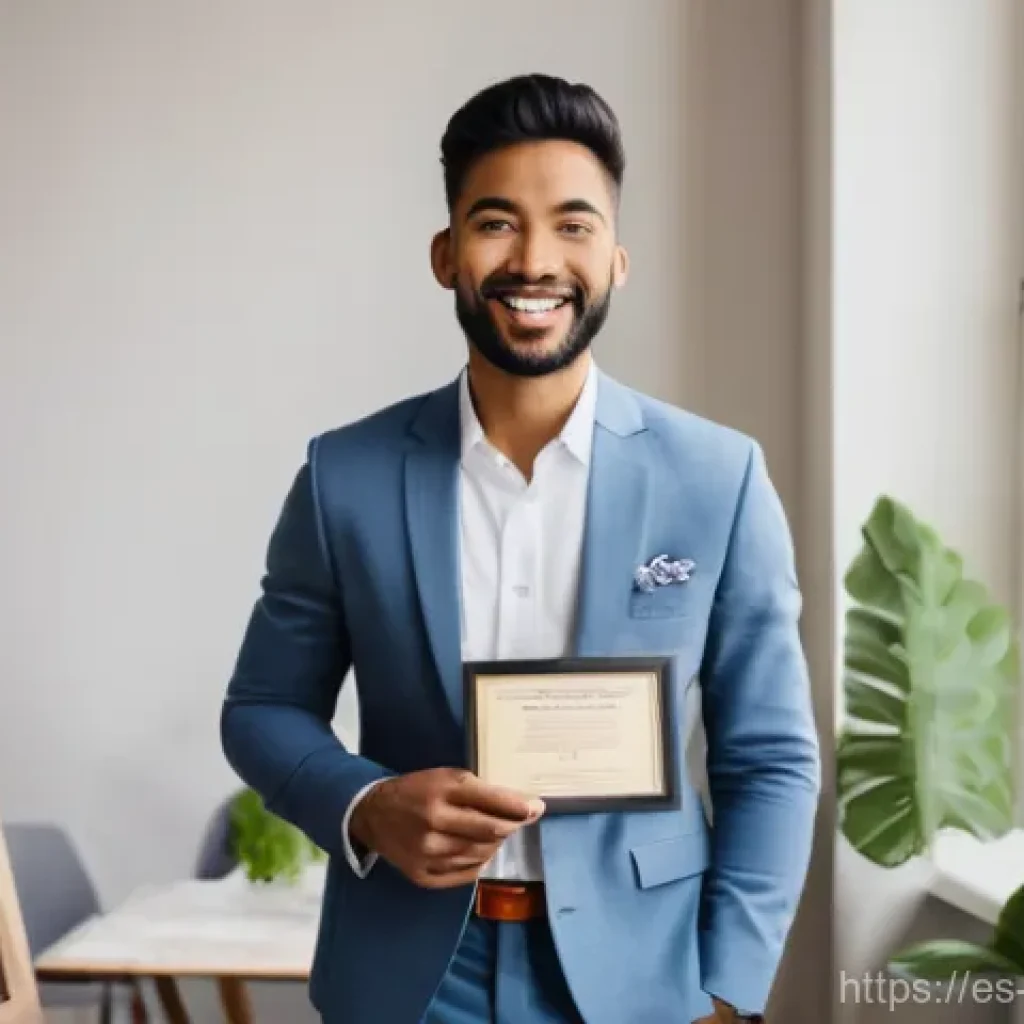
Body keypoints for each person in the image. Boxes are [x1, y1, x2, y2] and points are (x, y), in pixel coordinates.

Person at [220, 73, 821, 1024]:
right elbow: (262, 709)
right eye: (496, 223)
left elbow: (771, 757)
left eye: (573, 226)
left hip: (646, 979)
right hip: (410, 977)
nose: (535, 260)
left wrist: (726, 987)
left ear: (617, 260)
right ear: (445, 253)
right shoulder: (348, 475)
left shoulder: (719, 477)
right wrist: (368, 804)